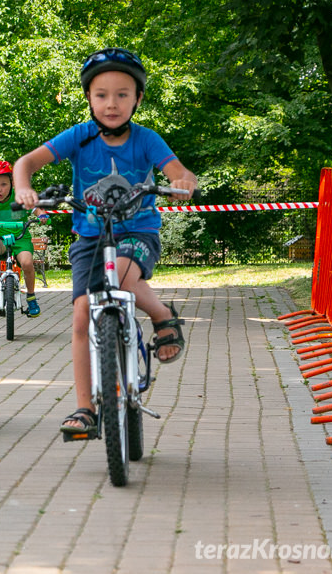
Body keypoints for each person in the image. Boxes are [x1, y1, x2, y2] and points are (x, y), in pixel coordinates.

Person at [14, 48, 197, 436]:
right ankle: (85, 408)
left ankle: (162, 315)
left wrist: (181, 181)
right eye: (101, 95)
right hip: (91, 238)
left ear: (138, 98)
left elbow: (179, 171)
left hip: (137, 232)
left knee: (127, 280)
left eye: (122, 94)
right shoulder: (80, 137)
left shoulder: (146, 140)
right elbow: (25, 163)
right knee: (81, 316)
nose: (111, 103)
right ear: (89, 99)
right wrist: (24, 187)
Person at [0, 160, 44, 318]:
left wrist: (42, 215)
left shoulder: (19, 197)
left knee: (27, 263)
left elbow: (35, 208)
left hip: (21, 238)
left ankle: (31, 297)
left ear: (12, 183)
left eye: (4, 184)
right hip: (0, 237)